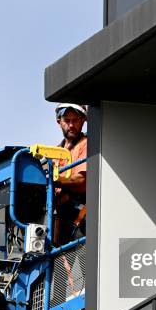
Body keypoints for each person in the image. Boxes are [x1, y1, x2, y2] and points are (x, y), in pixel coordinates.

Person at [53, 103, 87, 245]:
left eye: (75, 120)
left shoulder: (86, 143)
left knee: (85, 262)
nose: (71, 125)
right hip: (60, 216)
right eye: (67, 120)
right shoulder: (54, 153)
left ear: (83, 120)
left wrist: (54, 180)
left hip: (80, 216)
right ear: (59, 121)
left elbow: (81, 179)